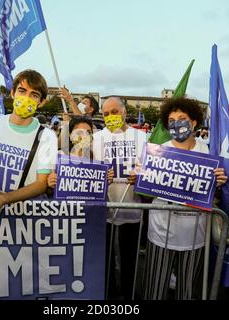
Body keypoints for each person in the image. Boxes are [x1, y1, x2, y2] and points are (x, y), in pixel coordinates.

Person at [144, 98, 227, 300]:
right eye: (171, 119)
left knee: (187, 288)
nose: (176, 123)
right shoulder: (157, 151)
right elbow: (147, 189)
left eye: (182, 118)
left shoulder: (208, 152)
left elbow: (212, 193)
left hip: (194, 235)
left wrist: (219, 181)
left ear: (194, 122)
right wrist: (141, 176)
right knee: (155, 287)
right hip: (161, 231)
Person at [0, 69, 58, 229]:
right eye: (22, 91)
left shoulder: (47, 136)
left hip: (28, 217)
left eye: (34, 95)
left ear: (41, 102)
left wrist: (3, 199)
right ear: (12, 93)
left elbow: (41, 183)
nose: (26, 98)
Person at [92, 97, 147, 299]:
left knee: (129, 259)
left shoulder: (141, 138)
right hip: (103, 211)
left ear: (124, 112)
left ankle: (129, 295)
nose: (110, 117)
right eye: (106, 114)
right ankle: (108, 294)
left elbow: (151, 171)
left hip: (132, 209)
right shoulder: (96, 138)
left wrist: (141, 177)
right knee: (104, 258)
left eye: (114, 112)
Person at [47, 115, 113, 189]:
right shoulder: (58, 157)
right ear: (70, 135)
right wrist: (50, 184)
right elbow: (50, 191)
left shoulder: (98, 157)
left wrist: (107, 180)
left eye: (88, 132)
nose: (85, 136)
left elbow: (99, 190)